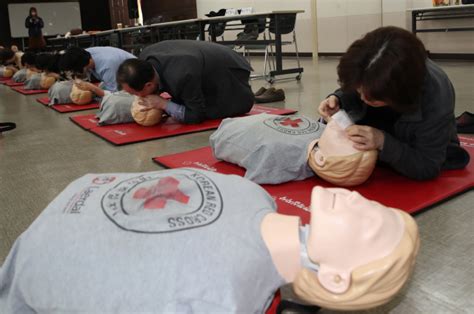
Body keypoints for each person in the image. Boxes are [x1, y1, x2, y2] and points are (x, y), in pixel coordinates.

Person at [0, 168, 419, 313]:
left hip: (38, 264)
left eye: (367, 222)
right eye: (372, 203)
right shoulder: (252, 194)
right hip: (54, 235)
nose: (357, 199)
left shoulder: (222, 299)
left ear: (335, 279)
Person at [318, 26, 470, 180]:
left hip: (414, 148)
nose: (362, 98)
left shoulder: (435, 98)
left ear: (399, 95)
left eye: (371, 98)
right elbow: (358, 83)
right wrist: (338, 98)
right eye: (358, 91)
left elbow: (427, 166)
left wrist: (382, 142)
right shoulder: (370, 67)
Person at [116, 40, 254, 124]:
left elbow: (196, 115)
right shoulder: (145, 58)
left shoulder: (182, 76)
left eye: (135, 93)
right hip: (199, 61)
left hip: (230, 68)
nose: (137, 97)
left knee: (207, 112)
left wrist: (163, 104)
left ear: (148, 85)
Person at [59, 46, 136, 97]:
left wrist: (93, 88)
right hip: (116, 77)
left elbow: (114, 95)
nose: (75, 75)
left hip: (136, 81)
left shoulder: (107, 66)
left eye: (75, 72)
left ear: (83, 67)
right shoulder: (84, 54)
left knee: (113, 103)